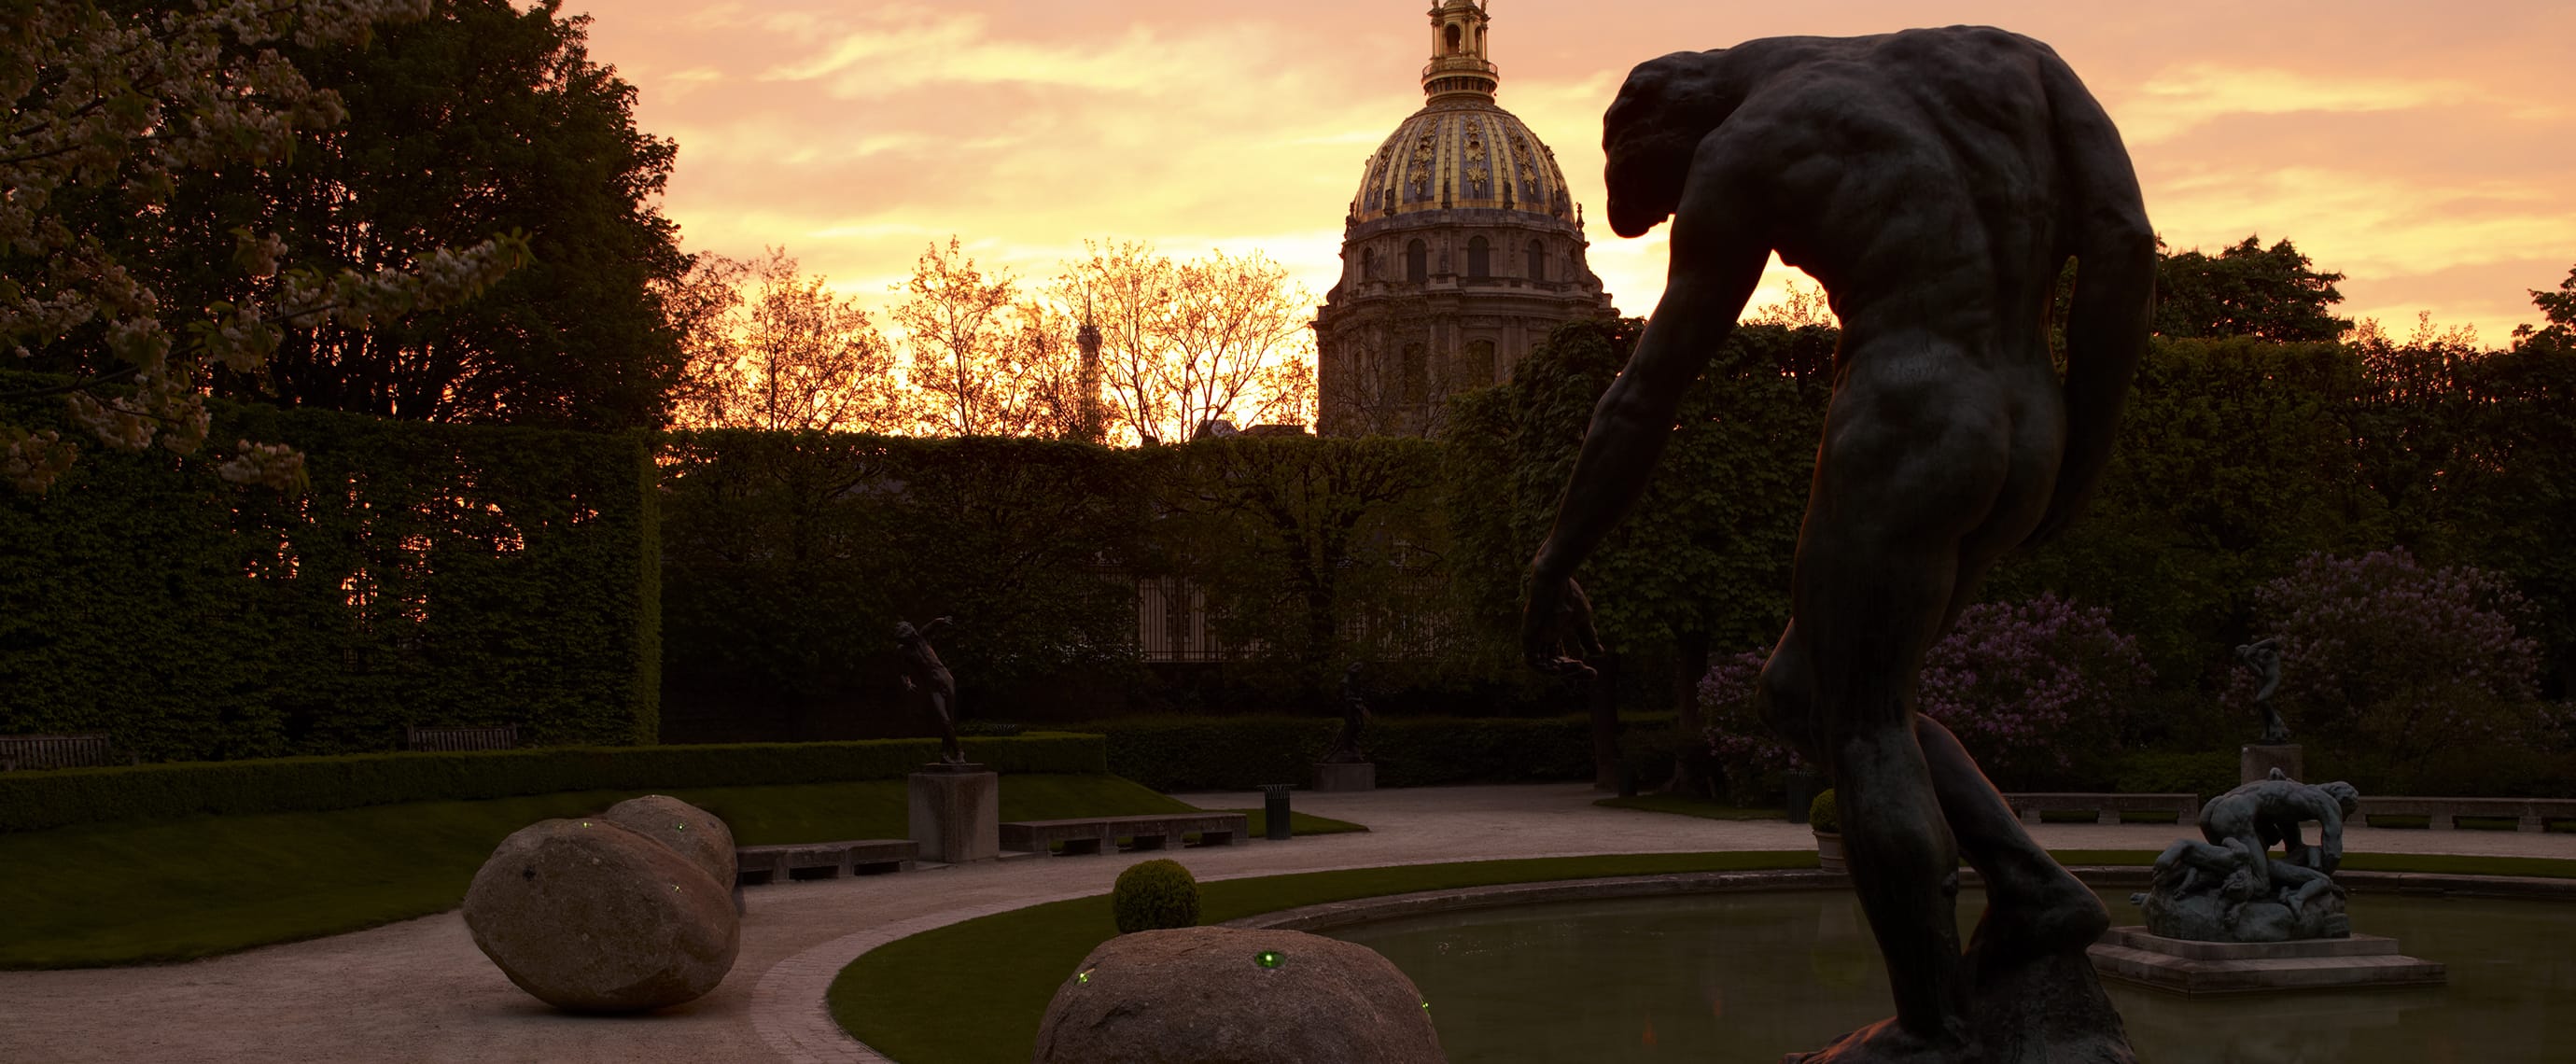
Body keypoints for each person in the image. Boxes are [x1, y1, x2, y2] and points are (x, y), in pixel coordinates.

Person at [1519, 26, 2153, 1060]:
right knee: (1813, 691)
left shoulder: (1745, 143)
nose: (1687, 214)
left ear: (1676, 134)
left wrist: (1555, 558)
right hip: (2030, 418)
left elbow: (1647, 393)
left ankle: (1934, 1031)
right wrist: (2084, 437)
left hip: (1909, 413)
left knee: (1857, 724)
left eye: (1673, 202)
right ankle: (2037, 891)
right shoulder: (2014, 59)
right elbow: (2123, 241)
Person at [894, 617, 966, 764]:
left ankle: (945, 754)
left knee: (950, 720)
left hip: (946, 680)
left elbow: (932, 625)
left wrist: (942, 621)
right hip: (932, 687)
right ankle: (959, 751)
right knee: (944, 720)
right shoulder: (904, 651)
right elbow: (903, 672)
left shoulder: (922, 638)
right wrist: (907, 683)